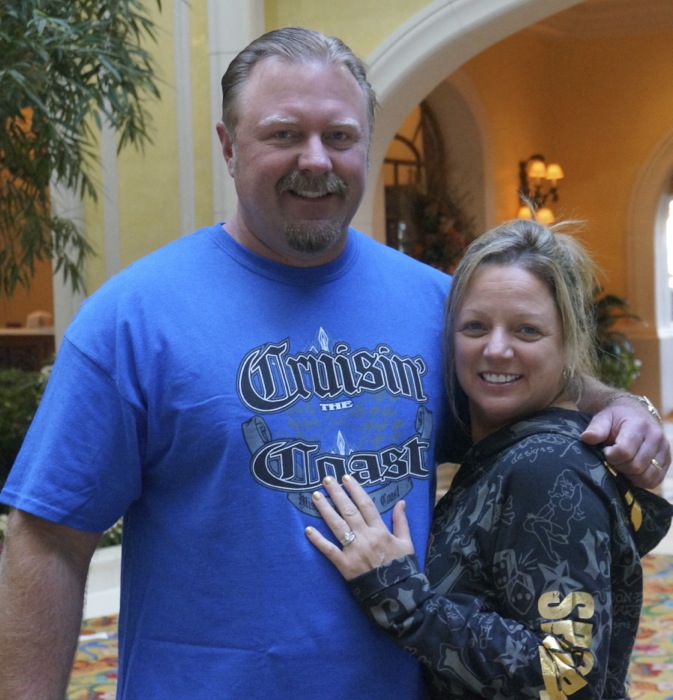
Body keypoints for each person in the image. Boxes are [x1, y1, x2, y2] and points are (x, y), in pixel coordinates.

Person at [0, 26, 669, 700]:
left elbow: (531, 384)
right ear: (228, 147)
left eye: (340, 136)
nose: (315, 160)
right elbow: (49, 539)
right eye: (284, 135)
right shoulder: (132, 321)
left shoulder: (436, 304)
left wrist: (619, 406)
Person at [306, 219, 673, 699]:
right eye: (475, 326)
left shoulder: (547, 467)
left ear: (566, 343)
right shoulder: (499, 446)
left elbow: (568, 676)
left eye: (527, 330)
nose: (496, 349)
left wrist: (403, 597)